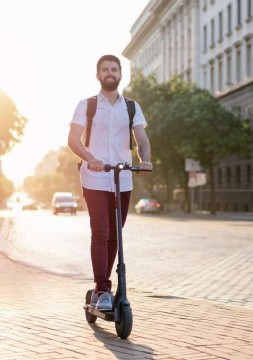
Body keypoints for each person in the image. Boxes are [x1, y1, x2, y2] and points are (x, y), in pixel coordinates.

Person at [68, 54, 152, 311]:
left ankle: (99, 289)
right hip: (95, 178)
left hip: (122, 178)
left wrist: (145, 159)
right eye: (105, 69)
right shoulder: (87, 105)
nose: (110, 73)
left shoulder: (131, 107)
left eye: (114, 69)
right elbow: (73, 139)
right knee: (101, 232)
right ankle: (103, 289)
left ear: (120, 74)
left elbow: (141, 139)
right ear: (98, 75)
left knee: (116, 234)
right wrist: (91, 158)